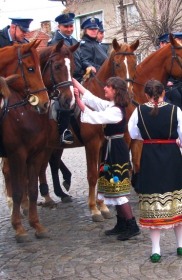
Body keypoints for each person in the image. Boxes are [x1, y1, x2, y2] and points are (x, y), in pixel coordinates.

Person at [128, 79, 182, 263]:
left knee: (152, 199)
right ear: (163, 93)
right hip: (171, 156)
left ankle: (155, 250)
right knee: (175, 198)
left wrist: (149, 137)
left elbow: (133, 133)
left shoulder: (139, 110)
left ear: (146, 95)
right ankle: (180, 245)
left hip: (149, 156)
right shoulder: (175, 110)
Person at [72, 76, 141, 241]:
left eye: (108, 87)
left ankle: (132, 225)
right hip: (111, 149)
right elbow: (94, 100)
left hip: (116, 150)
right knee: (112, 186)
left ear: (115, 90)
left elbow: (96, 117)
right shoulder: (111, 105)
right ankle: (121, 223)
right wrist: (75, 82)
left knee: (118, 189)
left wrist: (78, 101)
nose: (105, 89)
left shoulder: (116, 111)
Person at [48, 12, 82, 145]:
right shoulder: (54, 43)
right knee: (65, 99)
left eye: (71, 26)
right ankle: (64, 131)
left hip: (78, 76)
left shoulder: (74, 41)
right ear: (59, 27)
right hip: (63, 79)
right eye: (65, 26)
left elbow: (82, 59)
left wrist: (89, 66)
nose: (69, 29)